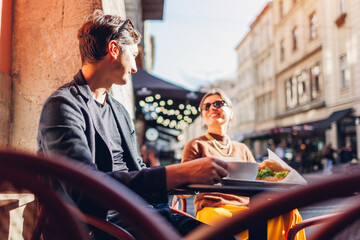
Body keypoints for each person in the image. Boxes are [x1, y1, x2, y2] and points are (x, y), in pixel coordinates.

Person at [37, 10, 231, 240]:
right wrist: (175, 173)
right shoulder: (62, 105)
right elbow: (83, 188)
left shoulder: (119, 111)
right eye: (134, 55)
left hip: (139, 215)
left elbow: (138, 171)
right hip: (95, 226)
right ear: (114, 49)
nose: (135, 67)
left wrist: (190, 176)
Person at [181, 89, 306, 240]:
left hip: (247, 207)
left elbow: (258, 180)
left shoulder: (242, 148)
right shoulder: (196, 145)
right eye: (206, 107)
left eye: (218, 104)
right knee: (227, 220)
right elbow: (183, 190)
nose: (212, 108)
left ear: (231, 112)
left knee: (285, 211)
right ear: (202, 115)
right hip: (213, 208)